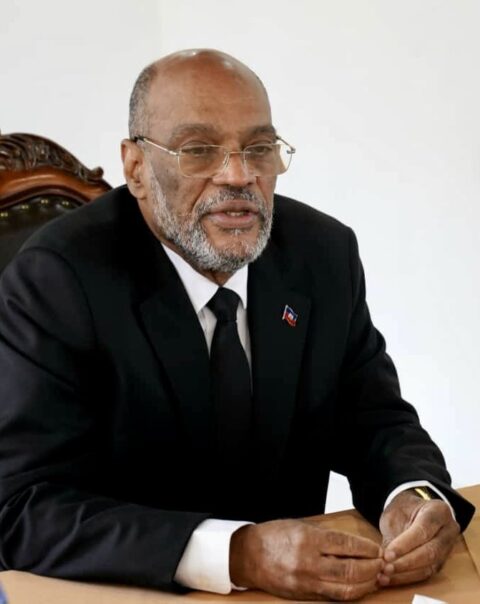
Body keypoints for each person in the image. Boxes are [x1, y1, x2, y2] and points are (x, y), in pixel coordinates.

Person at [0, 49, 474, 602]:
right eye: (199, 150)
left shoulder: (322, 255)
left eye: (259, 148)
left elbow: (375, 420)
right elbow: (22, 508)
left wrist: (413, 496)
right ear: (136, 168)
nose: (239, 175)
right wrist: (237, 553)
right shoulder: (57, 279)